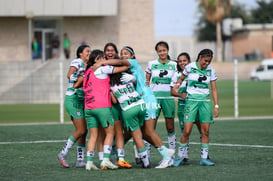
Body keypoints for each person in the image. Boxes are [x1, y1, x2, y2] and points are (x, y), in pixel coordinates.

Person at [95, 46, 175, 168]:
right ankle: (165, 150)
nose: (123, 55)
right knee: (140, 131)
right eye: (122, 54)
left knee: (148, 130)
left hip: (147, 99)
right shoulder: (126, 69)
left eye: (126, 53)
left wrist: (103, 62)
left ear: (132, 56)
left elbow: (121, 63)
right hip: (139, 101)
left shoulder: (132, 62)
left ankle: (166, 157)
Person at [83, 49, 128, 170]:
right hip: (102, 106)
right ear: (98, 59)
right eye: (103, 58)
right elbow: (125, 65)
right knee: (110, 132)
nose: (105, 60)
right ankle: (106, 160)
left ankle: (89, 162)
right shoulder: (103, 69)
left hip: (88, 108)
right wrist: (109, 62)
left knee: (93, 136)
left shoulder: (87, 72)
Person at [173, 49, 219, 166]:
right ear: (199, 58)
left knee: (205, 131)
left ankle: (204, 158)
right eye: (205, 61)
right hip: (191, 102)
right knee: (187, 131)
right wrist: (177, 84)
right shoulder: (190, 67)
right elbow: (181, 78)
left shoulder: (211, 70)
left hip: (205, 102)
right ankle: (180, 157)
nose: (207, 63)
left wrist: (216, 106)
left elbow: (213, 88)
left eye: (209, 61)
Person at [57, 44, 91, 168]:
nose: (89, 53)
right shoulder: (77, 62)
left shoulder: (87, 66)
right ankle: (63, 153)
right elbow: (69, 75)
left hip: (81, 101)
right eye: (87, 51)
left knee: (84, 131)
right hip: (73, 100)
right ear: (80, 53)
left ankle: (80, 160)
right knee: (81, 130)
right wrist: (80, 78)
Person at [110, 71, 151, 168]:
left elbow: (115, 101)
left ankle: (146, 161)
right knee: (140, 133)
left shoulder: (111, 85)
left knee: (137, 136)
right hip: (141, 105)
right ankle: (143, 157)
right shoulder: (126, 78)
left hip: (129, 109)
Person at [170, 52, 201, 166]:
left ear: (189, 61)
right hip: (183, 106)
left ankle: (205, 156)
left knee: (202, 130)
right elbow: (172, 91)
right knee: (185, 132)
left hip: (197, 105)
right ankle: (184, 156)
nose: (182, 63)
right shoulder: (176, 74)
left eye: (184, 60)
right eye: (180, 61)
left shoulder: (195, 71)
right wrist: (180, 95)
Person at [145, 41, 177, 152]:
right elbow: (146, 81)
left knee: (170, 127)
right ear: (157, 52)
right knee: (150, 128)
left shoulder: (174, 65)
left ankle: (172, 152)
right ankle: (146, 155)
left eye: (164, 50)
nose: (162, 53)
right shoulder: (151, 64)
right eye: (160, 51)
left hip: (168, 98)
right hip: (154, 99)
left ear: (167, 51)